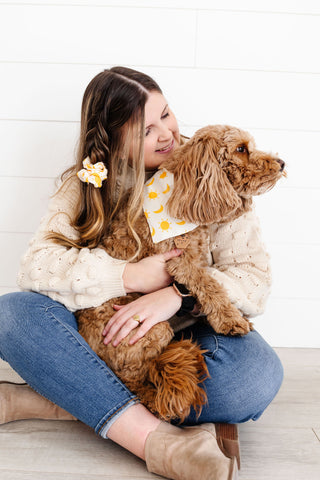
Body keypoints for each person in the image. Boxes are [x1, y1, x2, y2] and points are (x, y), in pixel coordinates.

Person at [0, 66, 283, 480]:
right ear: (111, 140)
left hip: (184, 337)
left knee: (254, 378)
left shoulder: (215, 168)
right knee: (12, 316)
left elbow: (253, 279)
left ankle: (68, 396)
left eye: (166, 114)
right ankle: (158, 442)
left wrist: (176, 295)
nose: (167, 134)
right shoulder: (87, 183)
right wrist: (130, 277)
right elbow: (36, 267)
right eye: (146, 130)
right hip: (106, 333)